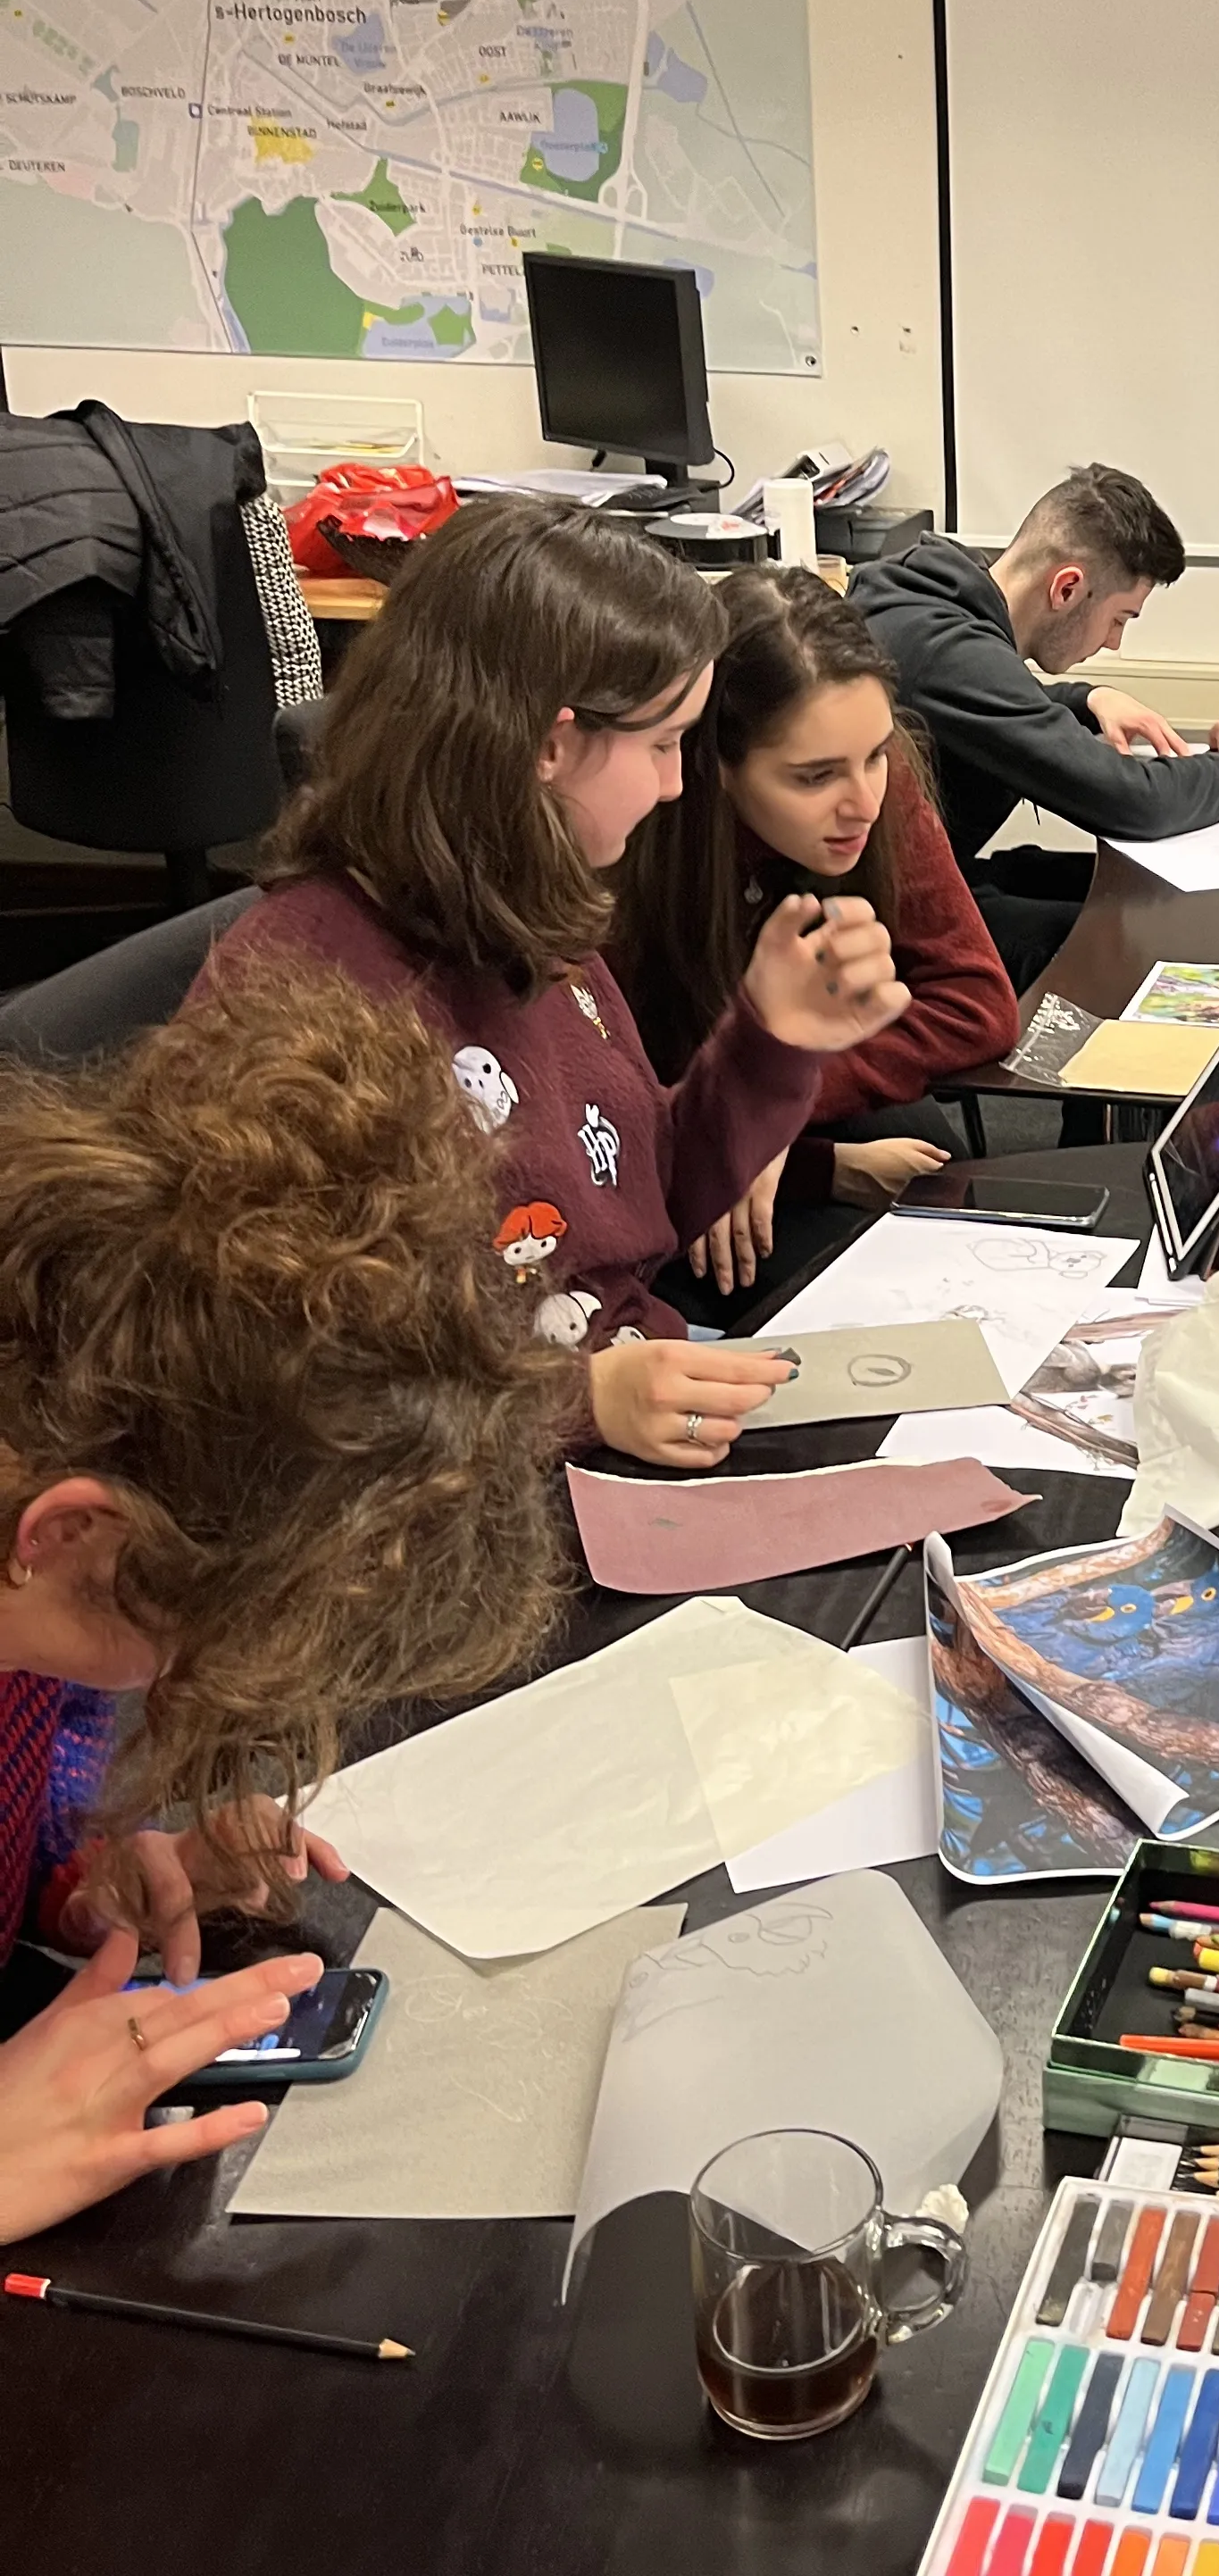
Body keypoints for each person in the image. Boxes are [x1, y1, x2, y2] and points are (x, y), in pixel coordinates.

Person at [0, 969, 574, 2244]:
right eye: (196, 1640)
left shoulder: (48, 1512)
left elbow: (29, 1789)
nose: (175, 1685)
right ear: (73, 1534)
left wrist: (87, 1880)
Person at [202, 496, 911, 1469]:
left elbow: (637, 1198)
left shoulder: (532, 914)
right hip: (476, 1498)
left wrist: (770, 1039)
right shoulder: (303, 995)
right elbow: (297, 1372)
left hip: (627, 1401)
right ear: (548, 743)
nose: (674, 786)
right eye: (664, 746)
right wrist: (576, 1399)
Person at [609, 566, 1021, 1307]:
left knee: (940, 1189)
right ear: (716, 768)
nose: (862, 800)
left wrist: (778, 1108)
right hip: (666, 1162)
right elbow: (610, 1131)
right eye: (813, 777)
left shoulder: (875, 785)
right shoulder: (629, 842)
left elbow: (975, 1004)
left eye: (875, 755)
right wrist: (792, 1155)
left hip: (774, 1121)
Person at [848, 466, 1219, 989]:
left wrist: (1084, 698)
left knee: (1119, 893)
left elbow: (984, 701)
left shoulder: (937, 601)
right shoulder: (945, 648)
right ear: (1068, 588)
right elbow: (1129, 801)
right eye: (1120, 618)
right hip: (874, 925)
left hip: (919, 881)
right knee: (1129, 940)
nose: (1115, 642)